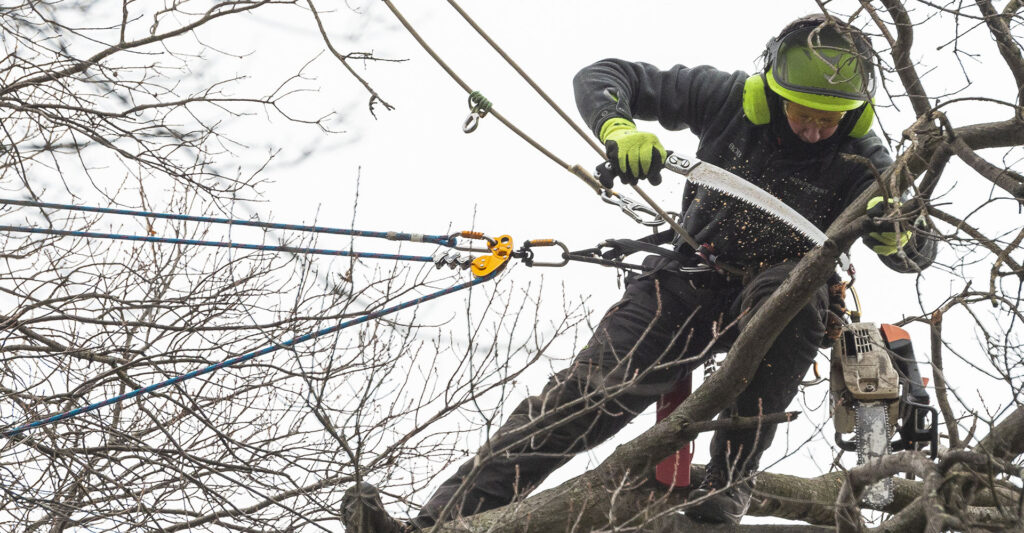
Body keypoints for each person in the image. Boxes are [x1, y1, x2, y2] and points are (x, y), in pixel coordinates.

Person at [341, 14, 936, 531]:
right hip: (690, 275)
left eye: (831, 118)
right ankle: (440, 523)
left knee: (794, 294)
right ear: (774, 92)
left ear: (857, 112)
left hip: (781, 294)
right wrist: (619, 128)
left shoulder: (869, 165)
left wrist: (897, 229)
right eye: (805, 112)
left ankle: (727, 484)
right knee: (589, 396)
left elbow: (916, 253)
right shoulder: (726, 99)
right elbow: (605, 75)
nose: (815, 128)